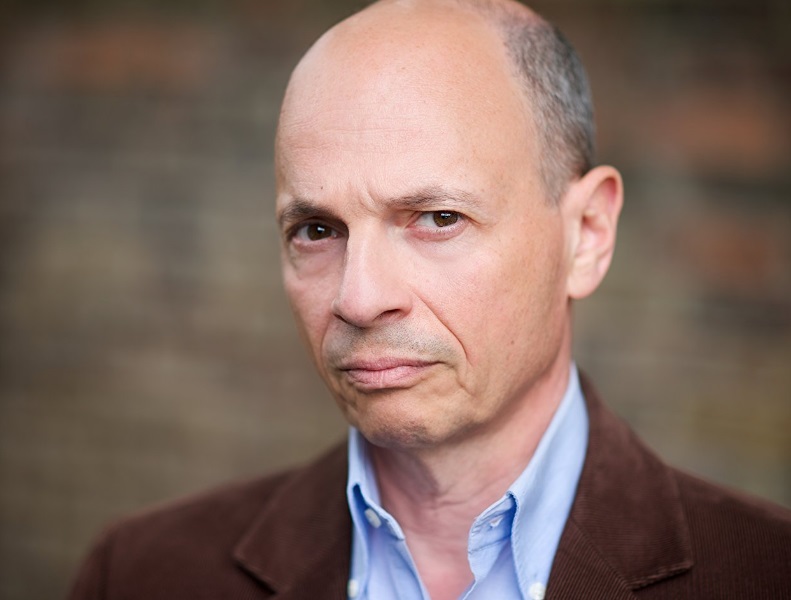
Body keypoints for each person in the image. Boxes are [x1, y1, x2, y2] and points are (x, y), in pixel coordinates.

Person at [68, 0, 791, 598]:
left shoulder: (764, 574)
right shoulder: (141, 575)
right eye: (317, 230)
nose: (359, 298)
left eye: (438, 218)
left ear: (586, 236)